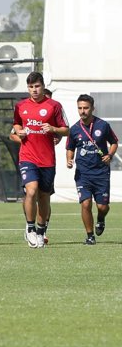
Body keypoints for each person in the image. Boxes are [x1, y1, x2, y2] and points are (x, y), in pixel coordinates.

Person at [11, 72, 68, 248]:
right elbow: (16, 124)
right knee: (31, 190)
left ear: (43, 86)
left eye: (37, 86)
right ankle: (30, 228)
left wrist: (53, 128)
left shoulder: (54, 106)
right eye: (30, 87)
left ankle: (41, 230)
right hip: (28, 157)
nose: (34, 90)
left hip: (47, 159)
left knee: (44, 197)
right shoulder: (21, 106)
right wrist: (19, 130)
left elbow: (66, 130)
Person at [65, 94, 117, 245]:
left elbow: (114, 142)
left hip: (101, 172)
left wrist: (110, 154)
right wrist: (69, 159)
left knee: (102, 206)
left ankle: (101, 219)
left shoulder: (103, 125)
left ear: (93, 108)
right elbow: (70, 147)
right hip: (83, 173)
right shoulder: (74, 129)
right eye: (80, 108)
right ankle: (90, 236)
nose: (83, 111)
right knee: (86, 203)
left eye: (86, 108)